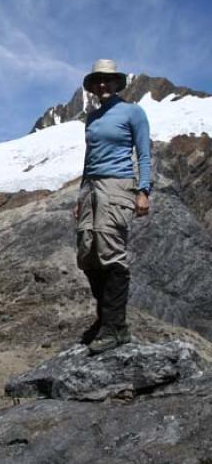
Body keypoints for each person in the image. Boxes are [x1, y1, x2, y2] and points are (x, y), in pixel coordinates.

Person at [73, 59, 151, 354]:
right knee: (88, 255)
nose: (102, 85)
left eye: (108, 80)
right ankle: (109, 321)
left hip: (117, 187)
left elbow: (144, 154)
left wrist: (143, 191)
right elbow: (89, 158)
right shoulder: (91, 118)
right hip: (90, 189)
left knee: (111, 254)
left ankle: (113, 327)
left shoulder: (133, 112)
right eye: (98, 81)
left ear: (117, 83)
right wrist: (81, 196)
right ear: (92, 86)